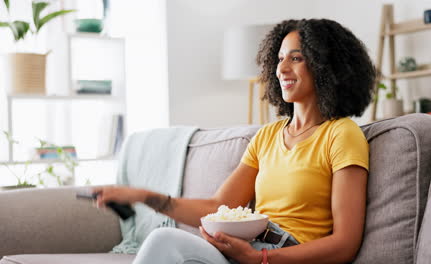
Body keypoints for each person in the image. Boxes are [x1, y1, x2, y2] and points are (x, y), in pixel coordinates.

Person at [94, 18, 375, 264]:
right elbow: (217, 208)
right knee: (165, 241)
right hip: (245, 250)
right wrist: (142, 197)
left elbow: (345, 244)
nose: (282, 69)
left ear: (326, 66)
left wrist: (260, 258)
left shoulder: (341, 134)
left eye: (296, 58)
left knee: (164, 242)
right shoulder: (267, 136)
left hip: (282, 254)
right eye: (279, 59)